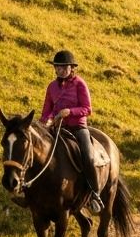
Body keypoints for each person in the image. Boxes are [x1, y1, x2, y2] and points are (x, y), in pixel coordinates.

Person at [41, 50, 103, 213]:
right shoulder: (51, 87)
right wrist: (47, 120)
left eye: (63, 67)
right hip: (57, 128)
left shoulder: (80, 84)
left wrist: (69, 112)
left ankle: (94, 195)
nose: (59, 70)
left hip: (77, 128)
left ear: (71, 68)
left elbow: (87, 109)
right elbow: (47, 111)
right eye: (57, 67)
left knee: (88, 156)